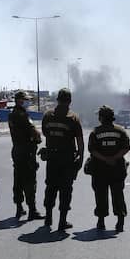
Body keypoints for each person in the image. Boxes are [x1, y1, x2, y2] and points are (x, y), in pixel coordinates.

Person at [41, 87, 84, 230]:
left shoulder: (47, 116)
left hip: (52, 158)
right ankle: (62, 221)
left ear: (57, 99)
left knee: (51, 187)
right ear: (70, 101)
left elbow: (45, 133)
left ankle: (48, 218)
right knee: (66, 189)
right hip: (67, 159)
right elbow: (80, 141)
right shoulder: (73, 118)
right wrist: (81, 158)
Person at [87, 105, 130, 232]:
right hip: (117, 168)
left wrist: (105, 159)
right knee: (118, 195)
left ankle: (101, 221)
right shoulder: (121, 131)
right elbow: (126, 147)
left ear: (101, 118)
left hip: (100, 169)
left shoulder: (95, 132)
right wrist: (114, 158)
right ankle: (120, 221)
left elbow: (92, 150)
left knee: (100, 195)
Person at [8, 90, 43, 220]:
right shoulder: (23, 115)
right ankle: (32, 210)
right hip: (27, 151)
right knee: (29, 180)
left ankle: (19, 208)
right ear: (20, 100)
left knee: (18, 179)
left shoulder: (11, 114)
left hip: (17, 150)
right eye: (26, 100)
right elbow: (34, 132)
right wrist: (38, 138)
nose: (27, 102)